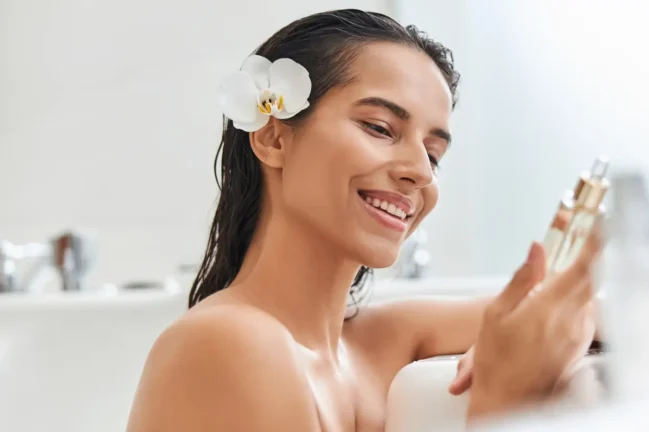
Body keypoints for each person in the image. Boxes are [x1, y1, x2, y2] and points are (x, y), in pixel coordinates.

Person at [127, 9, 600, 432]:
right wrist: (504, 404)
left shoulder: (382, 340)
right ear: (272, 137)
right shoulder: (227, 344)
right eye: (379, 128)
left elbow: (588, 309)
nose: (418, 171)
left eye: (433, 155)